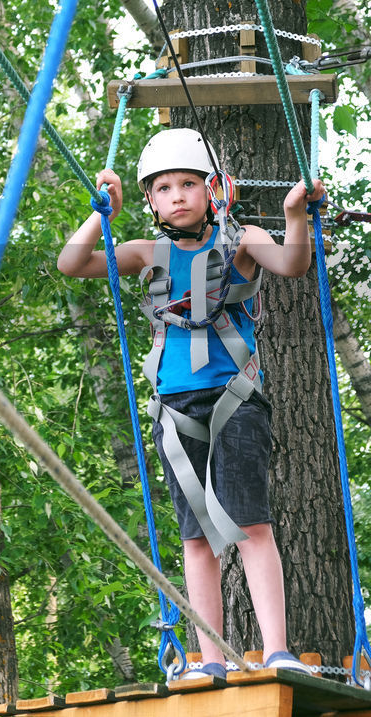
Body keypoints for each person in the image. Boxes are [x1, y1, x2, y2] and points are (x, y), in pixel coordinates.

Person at [57, 128, 326, 679]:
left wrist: (294, 213)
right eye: (162, 188)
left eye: (188, 184)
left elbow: (294, 264)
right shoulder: (144, 253)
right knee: (197, 538)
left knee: (250, 525)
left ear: (214, 190)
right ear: (151, 201)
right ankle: (210, 658)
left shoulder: (242, 240)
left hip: (236, 401)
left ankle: (276, 649)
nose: (176, 195)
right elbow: (71, 262)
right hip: (175, 411)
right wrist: (101, 212)